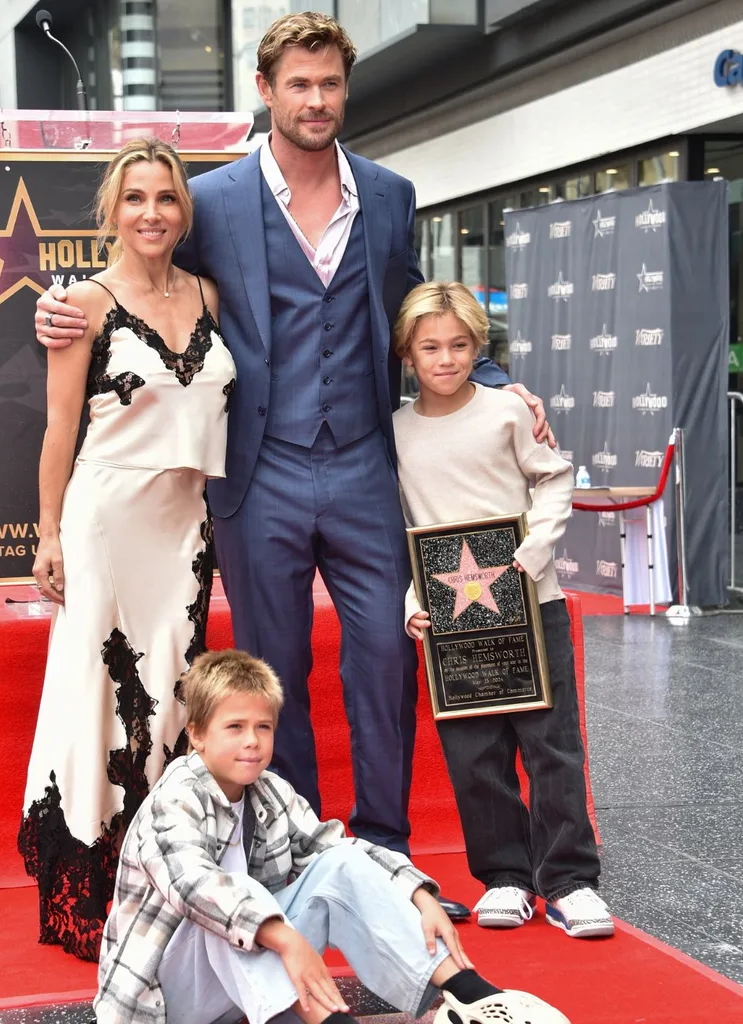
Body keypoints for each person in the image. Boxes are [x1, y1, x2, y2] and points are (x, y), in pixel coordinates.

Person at [33, 14, 550, 897]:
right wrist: (60, 305)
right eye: (298, 85)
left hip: (359, 463)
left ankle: (385, 841)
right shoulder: (218, 200)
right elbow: (149, 277)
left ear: (345, 91)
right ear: (266, 92)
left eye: (330, 85)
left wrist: (494, 377)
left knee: (385, 655)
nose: (316, 101)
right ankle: (296, 843)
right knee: (274, 669)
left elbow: (416, 304)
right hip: (257, 469)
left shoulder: (388, 194)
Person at [18, 137, 236, 961]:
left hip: (185, 526)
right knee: (102, 695)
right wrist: (47, 533)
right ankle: (93, 881)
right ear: (112, 211)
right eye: (136, 198)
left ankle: (164, 871)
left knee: (173, 691)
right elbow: (59, 427)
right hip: (106, 520)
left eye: (167, 198)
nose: (152, 213)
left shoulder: (211, 292)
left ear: (186, 212)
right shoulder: (82, 303)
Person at [94, 647, 570, 1024]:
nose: (252, 742)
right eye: (234, 727)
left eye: (263, 727)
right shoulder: (174, 797)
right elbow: (193, 886)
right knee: (228, 905)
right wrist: (287, 940)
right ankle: (327, 1018)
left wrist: (419, 893)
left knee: (337, 866)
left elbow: (337, 849)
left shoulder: (268, 789)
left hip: (236, 988)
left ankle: (471, 998)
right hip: (161, 1003)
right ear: (197, 735)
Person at [392, 282, 613, 940]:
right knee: (474, 754)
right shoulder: (396, 431)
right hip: (450, 615)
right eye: (429, 347)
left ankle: (569, 881)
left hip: (528, 598)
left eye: (459, 345)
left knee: (552, 747)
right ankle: (505, 879)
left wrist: (533, 552)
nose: (445, 358)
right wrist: (414, 596)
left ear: (476, 348)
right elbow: (401, 525)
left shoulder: (506, 413)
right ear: (407, 353)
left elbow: (553, 476)